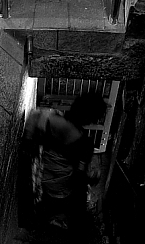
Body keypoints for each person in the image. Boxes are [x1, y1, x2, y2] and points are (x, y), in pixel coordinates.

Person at [22, 92, 107, 230]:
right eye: (95, 118)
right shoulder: (80, 140)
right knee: (76, 198)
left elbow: (35, 116)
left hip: (41, 173)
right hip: (56, 186)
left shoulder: (53, 117)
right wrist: (90, 179)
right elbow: (78, 176)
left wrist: (28, 139)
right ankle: (58, 221)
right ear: (89, 117)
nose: (95, 122)